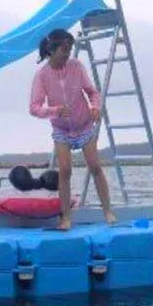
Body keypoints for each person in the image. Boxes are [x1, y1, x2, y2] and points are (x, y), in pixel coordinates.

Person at [29, 28, 116, 230]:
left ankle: (108, 211)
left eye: (69, 50)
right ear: (51, 51)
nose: (67, 55)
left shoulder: (76, 67)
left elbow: (93, 92)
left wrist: (95, 108)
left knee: (95, 166)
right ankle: (66, 217)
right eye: (63, 51)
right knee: (65, 170)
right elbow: (34, 108)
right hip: (61, 130)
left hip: (85, 125)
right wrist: (55, 111)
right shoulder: (42, 75)